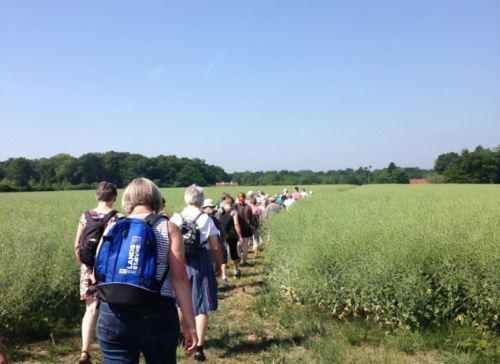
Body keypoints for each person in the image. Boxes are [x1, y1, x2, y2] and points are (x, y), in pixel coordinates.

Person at [96, 178, 197, 363]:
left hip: (112, 310)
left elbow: (99, 265)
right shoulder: (168, 227)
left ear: (127, 199)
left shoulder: (113, 225)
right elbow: (180, 278)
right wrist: (190, 325)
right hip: (157, 311)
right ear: (156, 199)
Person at [171, 185, 223, 362]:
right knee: (201, 305)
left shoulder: (176, 218)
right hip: (200, 260)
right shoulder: (205, 218)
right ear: (201, 200)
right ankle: (199, 347)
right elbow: (215, 246)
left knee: (180, 301)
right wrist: (218, 263)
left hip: (179, 261)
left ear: (185, 199)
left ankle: (180, 337)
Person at [73, 181, 122, 364]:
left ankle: (85, 351)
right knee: (113, 308)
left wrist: (84, 267)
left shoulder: (85, 216)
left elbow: (77, 246)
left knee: (91, 309)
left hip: (88, 268)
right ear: (114, 197)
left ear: (97, 196)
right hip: (110, 269)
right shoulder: (118, 217)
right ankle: (113, 346)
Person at [202, 198, 228, 281]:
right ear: (204, 208)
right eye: (210, 207)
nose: (212, 209)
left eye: (212, 207)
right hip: (210, 246)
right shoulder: (210, 219)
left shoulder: (211, 217)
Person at [219, 195, 243, 278]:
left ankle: (224, 275)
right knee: (233, 252)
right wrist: (240, 236)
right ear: (232, 203)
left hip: (222, 234)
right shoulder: (234, 212)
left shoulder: (220, 210)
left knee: (223, 254)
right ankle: (236, 270)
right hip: (231, 235)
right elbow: (236, 224)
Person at [236, 192, 256, 265]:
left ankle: (241, 260)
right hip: (244, 228)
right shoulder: (248, 207)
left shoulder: (236, 207)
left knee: (240, 245)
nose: (241, 200)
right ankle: (242, 261)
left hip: (240, 228)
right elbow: (251, 218)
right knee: (243, 246)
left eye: (241, 198)